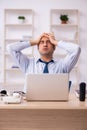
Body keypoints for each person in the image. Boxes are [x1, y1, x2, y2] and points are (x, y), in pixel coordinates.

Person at [7, 33, 81, 91]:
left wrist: (55, 42)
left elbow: (76, 49)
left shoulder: (63, 65)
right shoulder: (28, 63)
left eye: (49, 42)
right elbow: (10, 48)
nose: (45, 44)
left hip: (56, 105)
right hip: (31, 106)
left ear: (54, 47)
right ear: (38, 47)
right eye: (42, 42)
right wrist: (35, 41)